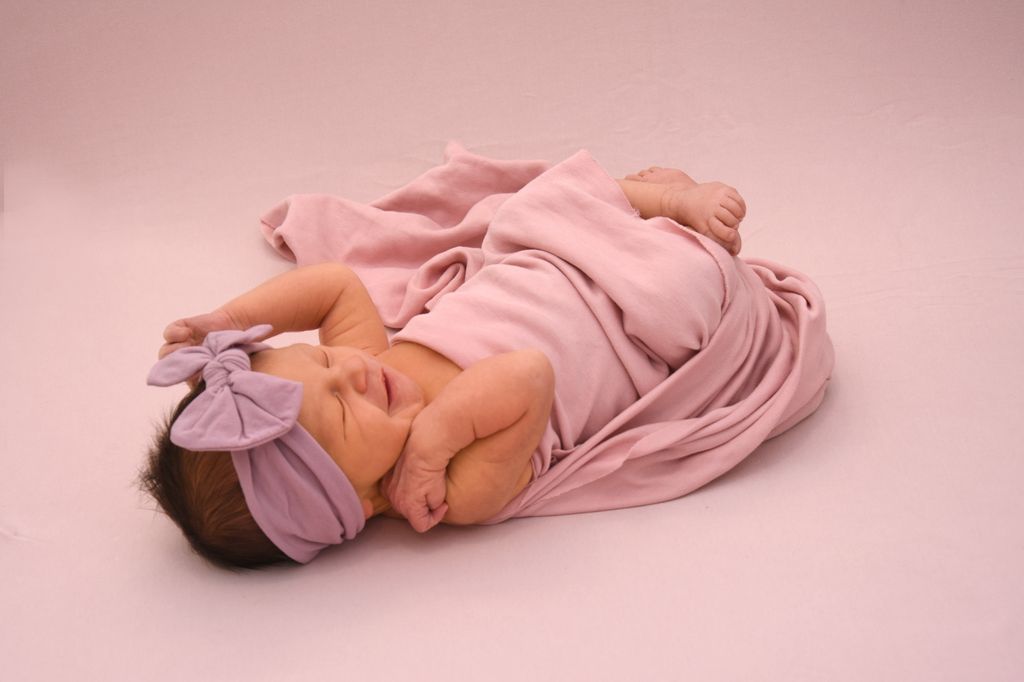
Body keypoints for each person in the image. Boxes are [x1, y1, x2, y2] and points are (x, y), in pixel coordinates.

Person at [142, 146, 830, 569]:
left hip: (549, 264)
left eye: (322, 366)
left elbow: (336, 287)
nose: (350, 370)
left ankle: (659, 198)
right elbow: (527, 375)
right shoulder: (453, 492)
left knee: (523, 212)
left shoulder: (373, 367)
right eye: (343, 407)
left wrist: (230, 320)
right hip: (640, 331)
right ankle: (662, 224)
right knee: (679, 286)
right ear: (353, 500)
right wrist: (432, 443)